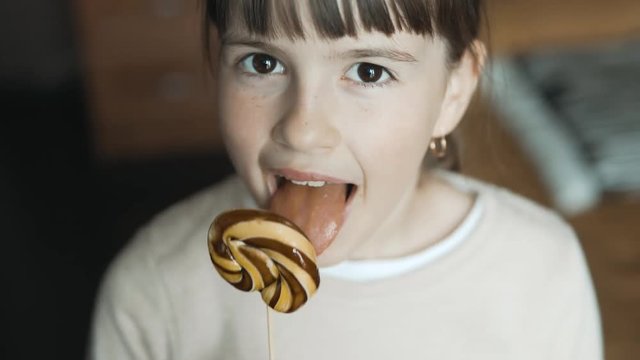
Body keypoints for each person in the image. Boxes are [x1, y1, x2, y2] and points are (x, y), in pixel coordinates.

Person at [90, 0, 603, 359]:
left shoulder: (540, 268)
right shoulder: (155, 285)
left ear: (453, 91)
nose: (304, 128)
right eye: (262, 62)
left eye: (368, 72)